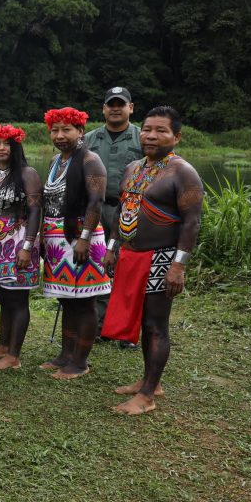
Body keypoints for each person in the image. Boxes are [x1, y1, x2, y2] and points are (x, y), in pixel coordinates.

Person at [102, 106, 203, 415]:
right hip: (131, 255)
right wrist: (111, 247)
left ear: (177, 137)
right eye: (147, 129)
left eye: (161, 130)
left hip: (161, 258)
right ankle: (149, 381)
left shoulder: (182, 172)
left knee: (155, 324)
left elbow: (191, 223)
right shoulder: (134, 167)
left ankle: (147, 395)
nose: (151, 135)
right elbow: (123, 212)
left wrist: (178, 265)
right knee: (142, 321)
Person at [39, 108, 111, 379]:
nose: (59, 135)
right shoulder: (56, 161)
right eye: (55, 130)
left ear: (81, 131)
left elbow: (96, 202)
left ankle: (80, 361)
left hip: (83, 238)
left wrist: (84, 238)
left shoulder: (90, 160)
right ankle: (65, 354)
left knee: (84, 302)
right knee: (66, 299)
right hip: (57, 239)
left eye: (66, 129)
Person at [0, 125, 42, 371]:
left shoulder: (27, 173)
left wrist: (27, 247)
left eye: (6, 144)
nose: (1, 148)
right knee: (3, 295)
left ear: (16, 146)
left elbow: (36, 210)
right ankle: (3, 346)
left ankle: (14, 355)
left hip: (18, 241)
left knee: (17, 299)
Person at [84, 86, 143, 341]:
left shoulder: (143, 138)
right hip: (95, 209)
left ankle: (123, 329)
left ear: (131, 107)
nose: (116, 108)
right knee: (95, 264)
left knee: (126, 269)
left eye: (121, 104)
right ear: (104, 108)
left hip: (130, 212)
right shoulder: (89, 139)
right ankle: (96, 325)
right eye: (111, 104)